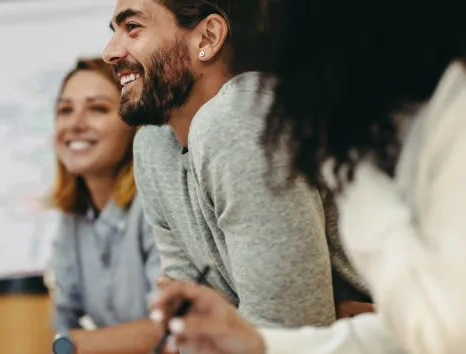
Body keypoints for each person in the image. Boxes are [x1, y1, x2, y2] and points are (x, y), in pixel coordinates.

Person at [149, 0, 466, 353]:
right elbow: (415, 331)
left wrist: (352, 171)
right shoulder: (393, 123)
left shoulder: (450, 116)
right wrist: (260, 343)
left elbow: (443, 330)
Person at [103, 0, 369, 332]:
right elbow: (193, 326)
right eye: (114, 32)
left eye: (133, 28)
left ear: (207, 38)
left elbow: (291, 332)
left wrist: (233, 323)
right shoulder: (153, 147)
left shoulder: (240, 117)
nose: (110, 52)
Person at [0, 58, 164, 354]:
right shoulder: (76, 217)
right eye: (65, 110)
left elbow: (168, 328)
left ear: (134, 125)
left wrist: (56, 344)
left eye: (98, 108)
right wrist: (15, 322)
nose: (75, 124)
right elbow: (59, 313)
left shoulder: (156, 203)